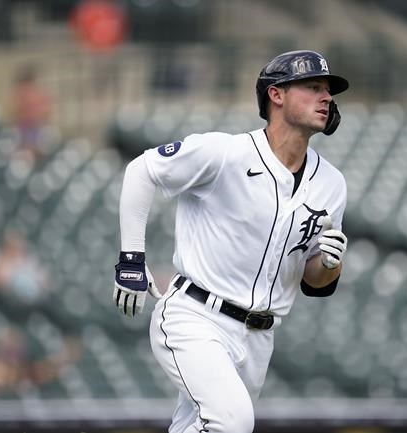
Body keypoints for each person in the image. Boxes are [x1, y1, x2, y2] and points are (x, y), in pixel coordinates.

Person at [113, 50, 350, 433]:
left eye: (328, 91)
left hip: (259, 338)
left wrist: (328, 265)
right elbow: (142, 170)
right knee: (232, 422)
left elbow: (313, 283)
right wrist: (131, 260)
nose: (326, 97)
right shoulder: (224, 153)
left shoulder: (332, 184)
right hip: (197, 316)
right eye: (313, 87)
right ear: (277, 95)